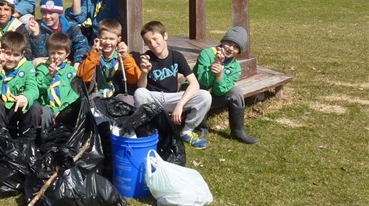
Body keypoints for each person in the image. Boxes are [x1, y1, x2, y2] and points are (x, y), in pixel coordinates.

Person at [133, 21, 212, 149]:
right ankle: (148, 130)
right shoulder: (146, 58)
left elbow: (194, 83)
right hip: (155, 99)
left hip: (173, 98)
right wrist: (144, 72)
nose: (152, 44)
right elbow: (141, 87)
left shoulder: (177, 56)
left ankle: (187, 131)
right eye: (148, 42)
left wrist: (180, 105)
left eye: (155, 39)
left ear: (165, 36)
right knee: (139, 93)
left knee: (205, 95)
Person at [193, 26, 259, 144]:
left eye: (235, 47)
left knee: (236, 93)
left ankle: (238, 131)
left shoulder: (235, 67)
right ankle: (200, 129)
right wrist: (216, 63)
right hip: (195, 94)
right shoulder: (207, 53)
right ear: (222, 42)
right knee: (203, 94)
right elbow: (203, 81)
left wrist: (219, 75)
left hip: (214, 95)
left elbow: (219, 91)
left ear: (239, 52)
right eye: (228, 43)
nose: (230, 48)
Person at [0, 31, 41, 139]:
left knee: (35, 106)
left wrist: (25, 97)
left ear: (22, 54)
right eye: (7, 53)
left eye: (16, 55)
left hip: (18, 110)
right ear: (0, 50)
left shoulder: (27, 67)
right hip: (0, 112)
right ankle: (1, 139)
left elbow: (33, 89)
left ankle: (27, 142)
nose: (11, 58)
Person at [77, 19, 141, 104]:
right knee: (92, 100)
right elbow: (83, 79)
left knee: (129, 100)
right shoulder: (92, 56)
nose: (107, 42)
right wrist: (94, 55)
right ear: (98, 37)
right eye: (104, 38)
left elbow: (134, 79)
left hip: (119, 96)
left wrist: (126, 57)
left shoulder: (123, 57)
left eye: (111, 39)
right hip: (98, 95)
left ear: (119, 39)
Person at [28, 0, 90, 68]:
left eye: (51, 13)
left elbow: (82, 45)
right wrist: (36, 35)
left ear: (59, 12)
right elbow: (40, 55)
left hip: (68, 63)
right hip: (46, 64)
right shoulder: (38, 27)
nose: (47, 16)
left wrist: (77, 61)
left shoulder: (70, 26)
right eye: (44, 12)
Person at [36, 32, 81, 130]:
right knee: (45, 113)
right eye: (52, 53)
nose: (56, 56)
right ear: (48, 52)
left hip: (65, 108)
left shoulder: (71, 71)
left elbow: (73, 94)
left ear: (67, 53)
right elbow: (38, 89)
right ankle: (44, 139)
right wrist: (49, 76)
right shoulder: (41, 69)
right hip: (48, 106)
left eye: (60, 53)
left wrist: (61, 111)